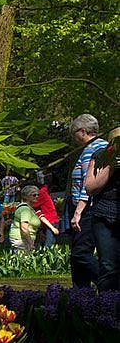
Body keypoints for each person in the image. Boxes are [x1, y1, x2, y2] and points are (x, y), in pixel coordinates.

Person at [69, 114, 106, 287]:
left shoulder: (93, 149)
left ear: (83, 131)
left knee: (80, 253)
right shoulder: (98, 146)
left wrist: (78, 212)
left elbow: (88, 184)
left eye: (74, 133)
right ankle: (81, 295)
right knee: (77, 259)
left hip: (88, 210)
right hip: (87, 208)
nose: (73, 138)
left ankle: (109, 285)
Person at [84, 137, 120, 289]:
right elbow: (90, 188)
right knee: (108, 265)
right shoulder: (100, 155)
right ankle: (107, 301)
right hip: (104, 215)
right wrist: (111, 167)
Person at [8, 185, 43, 253]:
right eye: (34, 195)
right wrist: (30, 243)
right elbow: (24, 228)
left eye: (38, 194)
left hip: (26, 239)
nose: (37, 196)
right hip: (22, 240)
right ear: (26, 196)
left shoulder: (30, 208)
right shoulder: (25, 209)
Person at [33, 182, 60, 248]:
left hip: (50, 221)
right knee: (45, 243)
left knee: (48, 245)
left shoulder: (41, 193)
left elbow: (33, 205)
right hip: (48, 221)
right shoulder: (43, 192)